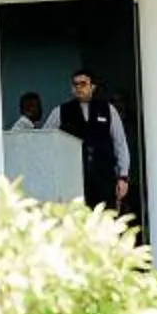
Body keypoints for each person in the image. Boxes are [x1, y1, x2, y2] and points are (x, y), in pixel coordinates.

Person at [56, 69, 134, 219]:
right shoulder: (61, 111)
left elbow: (120, 143)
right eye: (75, 84)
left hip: (104, 177)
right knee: (77, 220)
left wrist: (123, 176)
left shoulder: (108, 109)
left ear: (92, 87)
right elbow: (46, 140)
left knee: (106, 219)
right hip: (73, 179)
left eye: (83, 84)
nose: (79, 87)